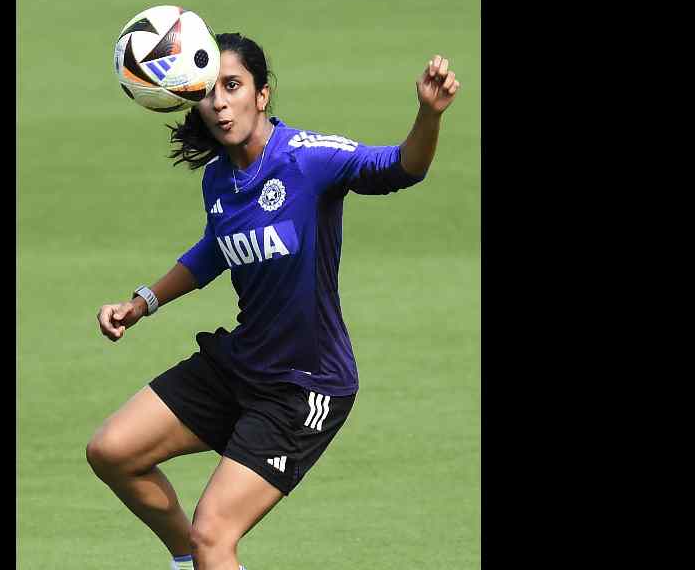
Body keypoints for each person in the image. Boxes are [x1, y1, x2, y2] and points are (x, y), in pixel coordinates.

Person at [88, 32, 460, 570]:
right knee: (113, 452)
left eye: (233, 86)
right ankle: (184, 559)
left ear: (261, 95)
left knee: (215, 533)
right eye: (209, 91)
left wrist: (429, 116)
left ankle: (202, 555)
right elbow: (217, 247)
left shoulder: (309, 160)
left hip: (303, 386)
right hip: (242, 364)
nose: (218, 103)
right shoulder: (218, 176)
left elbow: (402, 167)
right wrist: (143, 301)